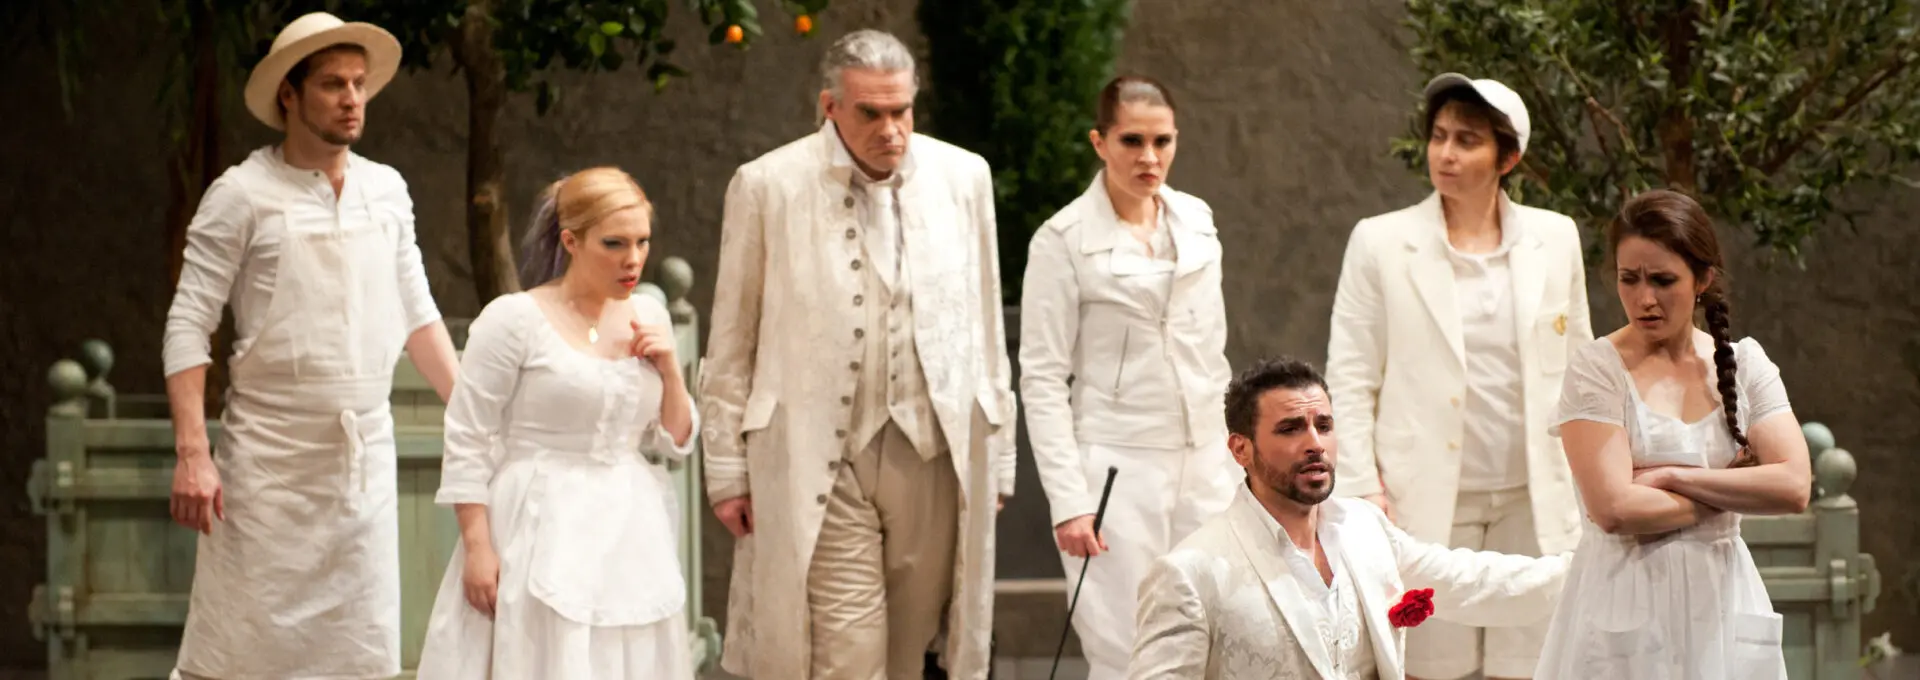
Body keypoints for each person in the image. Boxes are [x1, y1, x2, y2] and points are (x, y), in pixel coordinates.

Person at [698, 28, 1018, 680]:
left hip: (933, 448)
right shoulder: (767, 185)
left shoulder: (964, 178)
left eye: (901, 111)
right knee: (847, 655)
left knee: (910, 648)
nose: (890, 130)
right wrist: (727, 469)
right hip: (821, 452)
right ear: (831, 107)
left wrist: (1000, 456)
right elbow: (732, 338)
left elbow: (985, 323)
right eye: (871, 112)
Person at [160, 12, 459, 680]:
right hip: (269, 465)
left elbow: (418, 315)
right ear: (288, 95)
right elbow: (187, 323)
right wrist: (193, 453)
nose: (352, 99)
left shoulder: (386, 190)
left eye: (359, 83)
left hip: (362, 460)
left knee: (358, 652)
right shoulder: (242, 195)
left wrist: (475, 416)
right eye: (332, 84)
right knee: (243, 651)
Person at [1324, 72, 1593, 680]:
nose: (1445, 153)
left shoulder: (1555, 238)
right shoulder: (1380, 242)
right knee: (1427, 665)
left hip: (1535, 496)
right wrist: (1364, 493)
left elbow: (1580, 367)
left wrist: (1596, 478)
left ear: (1508, 158)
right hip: (1420, 497)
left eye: (1467, 140)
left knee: (1532, 664)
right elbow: (1351, 375)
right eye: (1439, 136)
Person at [411, 167, 697, 678]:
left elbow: (676, 439)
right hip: (534, 520)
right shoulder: (514, 320)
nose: (633, 259)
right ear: (571, 241)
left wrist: (670, 370)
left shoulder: (648, 317)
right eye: (614, 243)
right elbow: (468, 434)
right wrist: (477, 546)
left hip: (627, 527)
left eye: (642, 242)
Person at [1128, 357, 1573, 679]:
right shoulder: (1189, 573)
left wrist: (1586, 568)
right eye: (1290, 428)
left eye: (1323, 425)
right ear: (1240, 448)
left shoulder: (1364, 527)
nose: (1315, 443)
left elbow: (1472, 582)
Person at [1532, 189, 1809, 679]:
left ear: (1702, 279)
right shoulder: (1597, 369)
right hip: (1625, 597)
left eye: (1663, 280)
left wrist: (1670, 477)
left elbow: (1793, 486)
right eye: (1629, 278)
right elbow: (1615, 510)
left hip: (1723, 599)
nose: (1644, 299)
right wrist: (1734, 489)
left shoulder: (1745, 364)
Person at [1017, 75, 1235, 679]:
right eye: (1132, 141)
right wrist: (1069, 501)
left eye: (1163, 141)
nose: (1149, 157)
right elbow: (1041, 377)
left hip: (1208, 463)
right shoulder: (1062, 240)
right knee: (1127, 647)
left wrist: (1237, 456)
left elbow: (1213, 353)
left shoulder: (1196, 220)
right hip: (1117, 467)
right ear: (1100, 141)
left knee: (1219, 636)